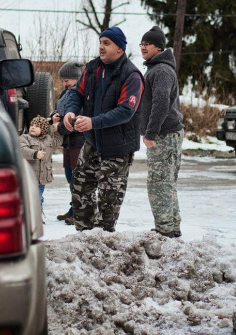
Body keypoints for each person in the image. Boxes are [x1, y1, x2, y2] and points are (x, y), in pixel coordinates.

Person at [62, 27, 144, 233]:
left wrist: (93, 122)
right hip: (92, 142)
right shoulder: (92, 69)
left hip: (117, 146)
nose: (101, 46)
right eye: (100, 42)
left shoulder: (131, 75)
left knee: (109, 198)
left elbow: (126, 111)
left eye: (107, 43)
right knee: (80, 187)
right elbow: (76, 95)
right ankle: (85, 236)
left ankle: (103, 241)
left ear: (120, 48)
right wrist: (70, 112)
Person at [139, 26, 184, 238]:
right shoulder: (157, 69)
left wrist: (150, 133)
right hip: (167, 134)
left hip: (164, 136)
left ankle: (165, 230)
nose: (143, 47)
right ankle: (172, 227)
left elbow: (161, 103)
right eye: (141, 44)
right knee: (167, 183)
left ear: (159, 47)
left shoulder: (161, 71)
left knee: (158, 185)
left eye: (147, 44)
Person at [53, 61, 86, 225]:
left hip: (79, 140)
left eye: (67, 80)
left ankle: (80, 212)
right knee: (69, 175)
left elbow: (74, 120)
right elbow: (62, 112)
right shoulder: (66, 93)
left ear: (77, 78)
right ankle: (73, 208)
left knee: (78, 177)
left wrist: (57, 128)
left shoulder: (80, 94)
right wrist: (55, 116)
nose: (64, 83)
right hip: (67, 141)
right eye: (63, 80)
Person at [20, 115, 62, 210]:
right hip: (28, 177)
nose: (33, 127)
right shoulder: (24, 137)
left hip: (41, 178)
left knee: (37, 198)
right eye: (32, 125)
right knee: (31, 199)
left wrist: (57, 130)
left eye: (37, 126)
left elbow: (58, 141)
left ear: (43, 129)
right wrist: (35, 154)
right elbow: (22, 149)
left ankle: (38, 214)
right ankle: (32, 218)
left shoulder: (48, 139)